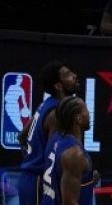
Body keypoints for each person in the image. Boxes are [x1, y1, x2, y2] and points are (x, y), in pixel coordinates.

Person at [17, 61, 78, 205]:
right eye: (68, 74)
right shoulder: (56, 113)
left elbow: (21, 136)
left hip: (28, 178)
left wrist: (31, 158)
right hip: (39, 182)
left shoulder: (46, 103)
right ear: (58, 86)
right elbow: (53, 157)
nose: (74, 76)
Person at [41, 96, 97, 205]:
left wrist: (88, 180)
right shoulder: (75, 155)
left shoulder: (54, 139)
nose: (89, 114)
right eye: (86, 110)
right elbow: (69, 202)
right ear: (78, 118)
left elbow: (59, 176)